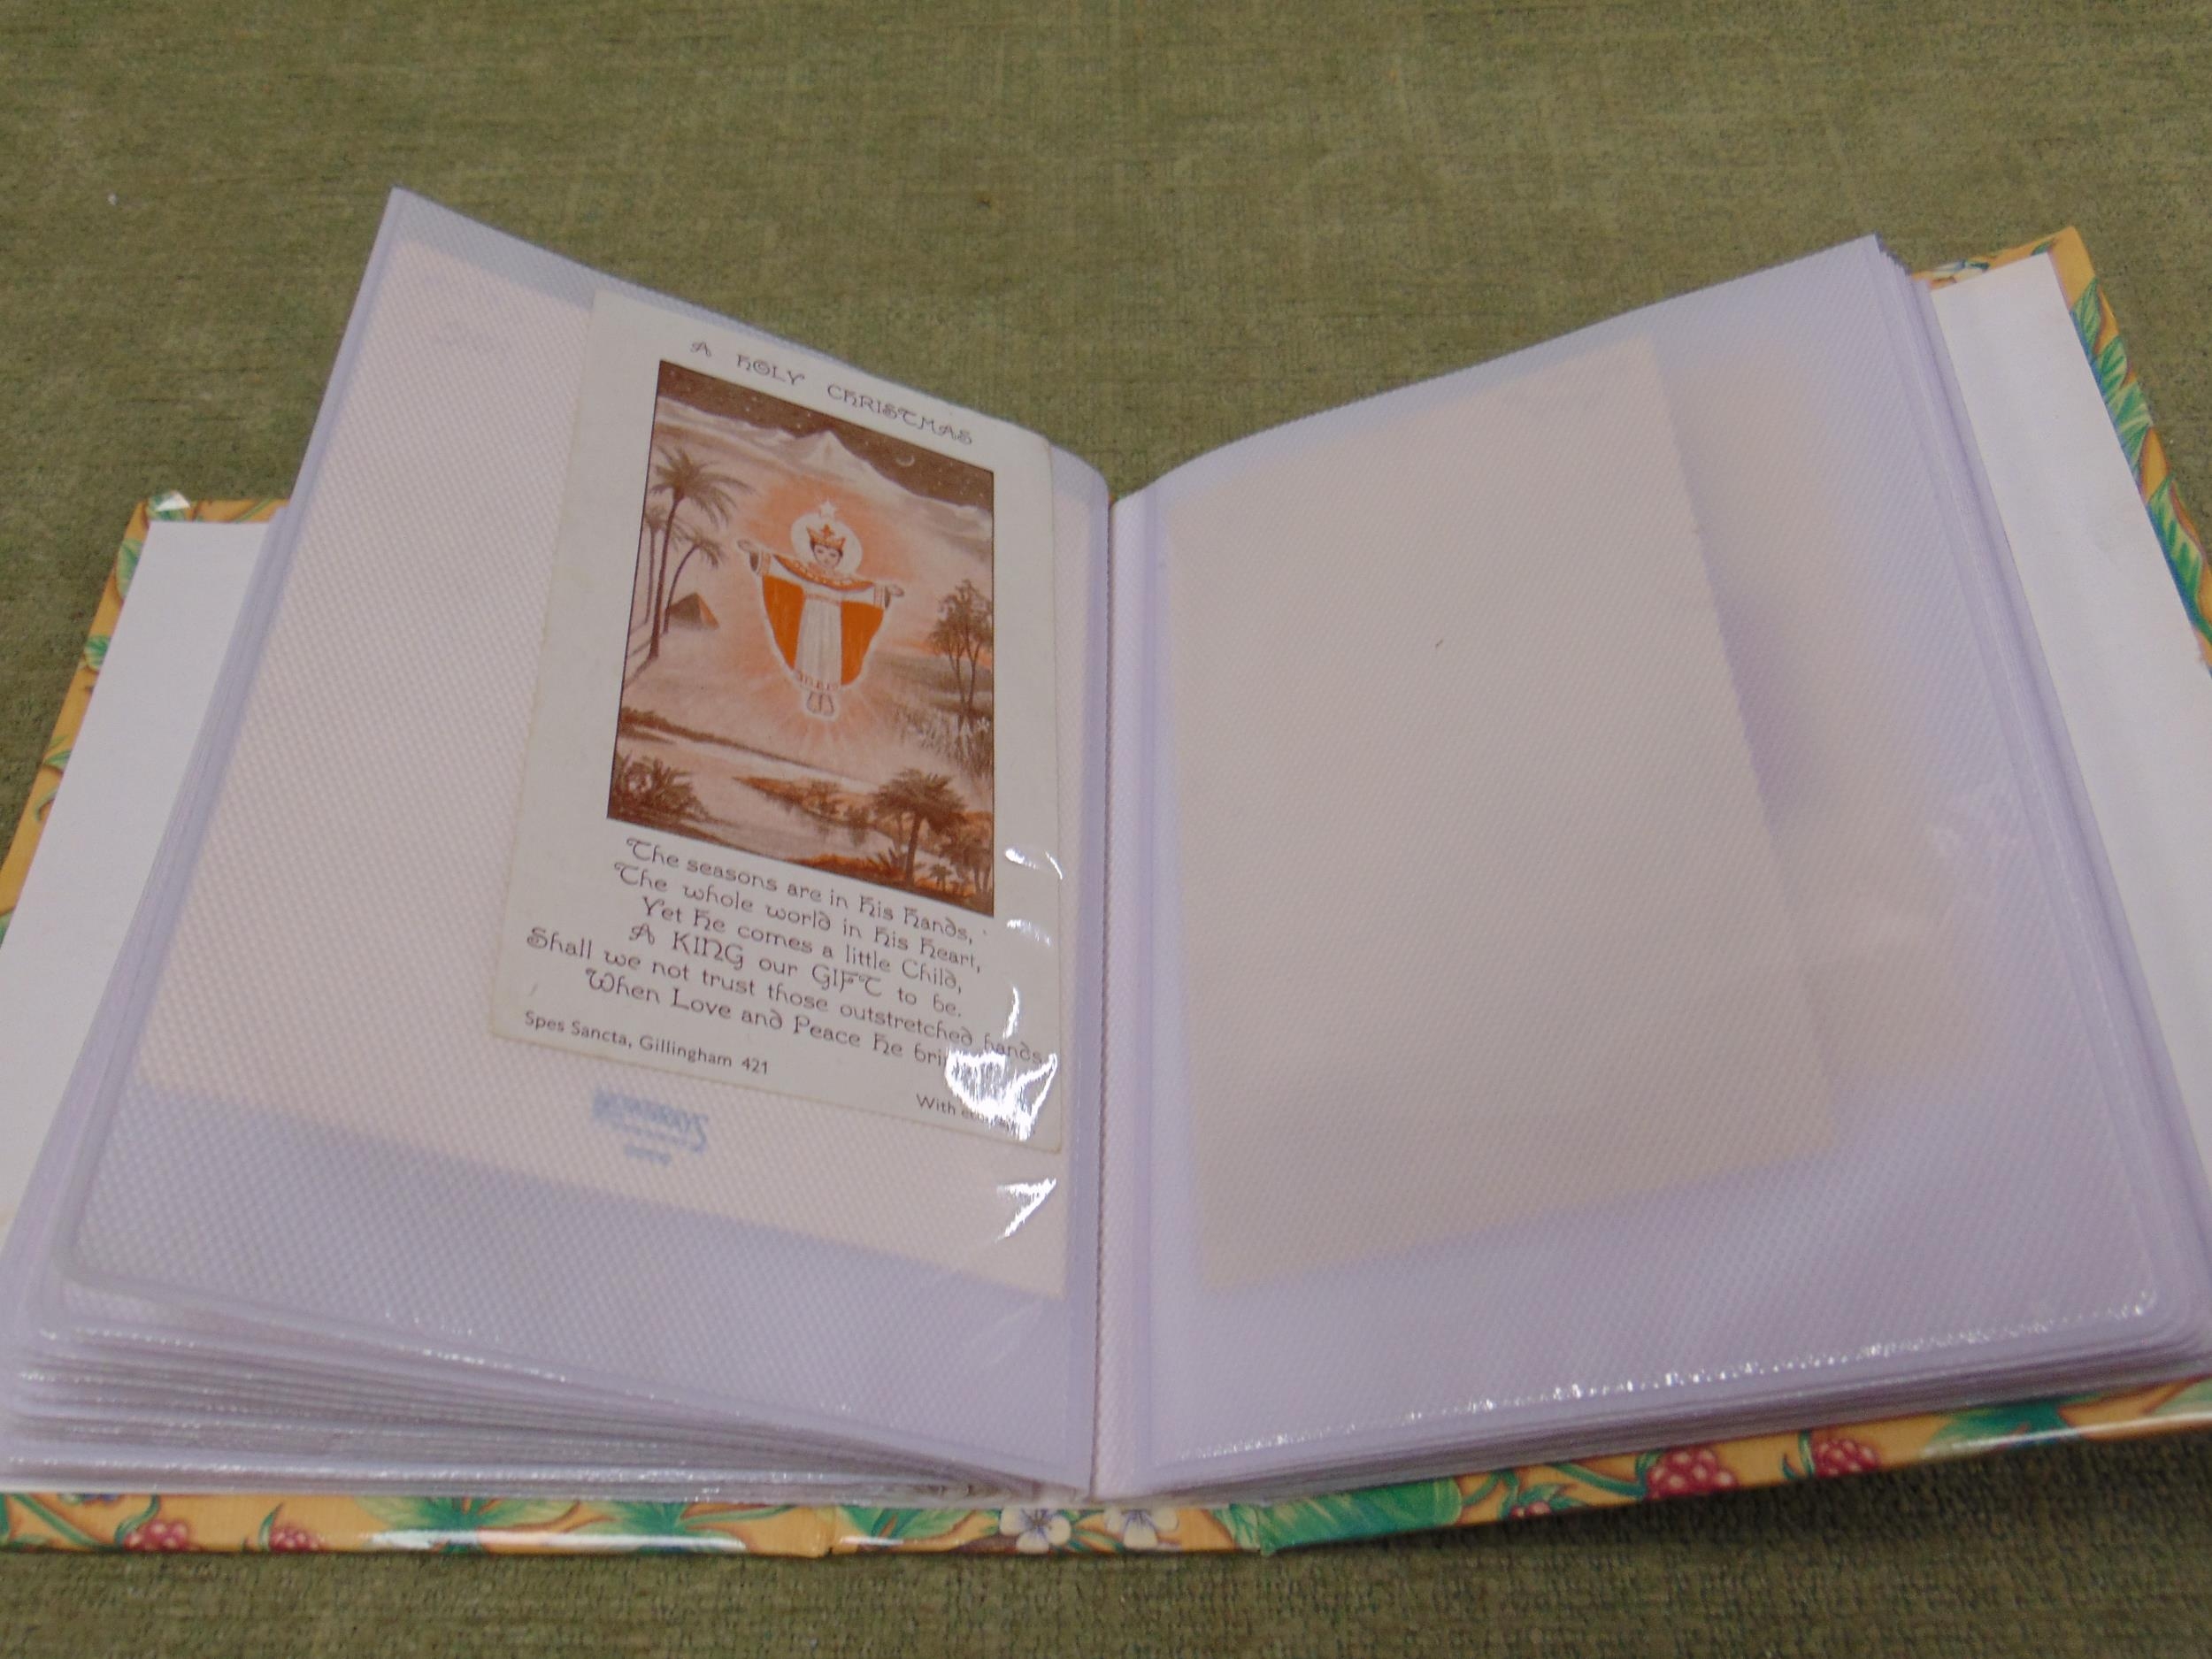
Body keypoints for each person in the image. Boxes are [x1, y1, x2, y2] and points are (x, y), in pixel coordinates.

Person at [749, 504, 901, 718]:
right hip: (810, 621)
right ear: (812, 551)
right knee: (810, 653)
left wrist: (886, 591)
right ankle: (813, 693)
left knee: (830, 657)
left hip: (832, 626)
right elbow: (782, 569)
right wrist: (757, 553)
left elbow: (862, 590)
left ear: (840, 557)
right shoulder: (804, 572)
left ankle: (827, 696)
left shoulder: (844, 581)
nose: (826, 558)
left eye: (832, 554)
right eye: (820, 551)